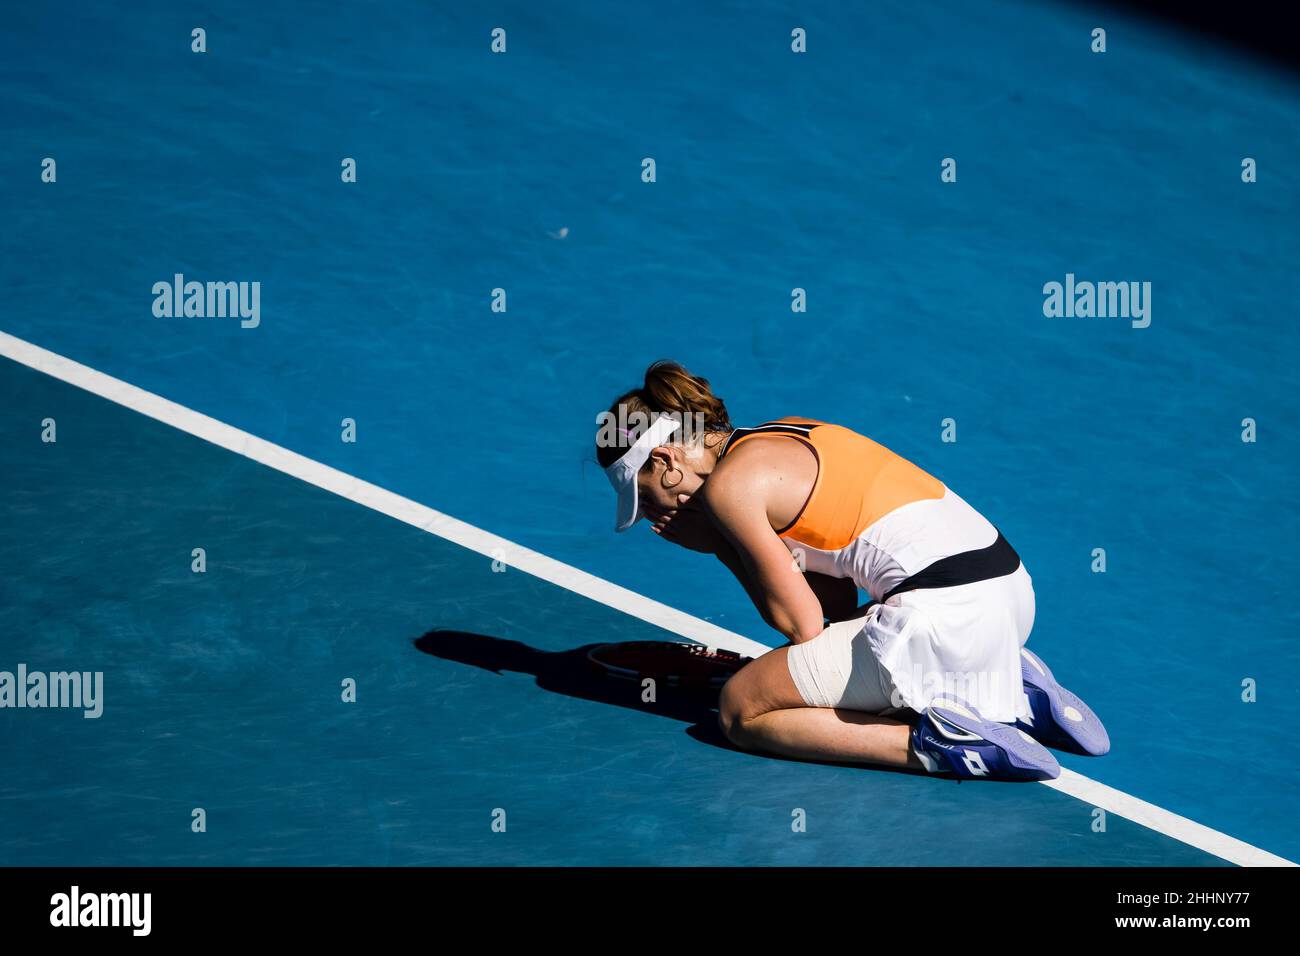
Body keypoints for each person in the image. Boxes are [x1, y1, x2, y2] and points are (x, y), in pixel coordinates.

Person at [596, 361, 1109, 781]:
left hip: (947, 617)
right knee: (842, 658)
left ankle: (938, 744)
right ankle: (1011, 689)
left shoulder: (731, 490)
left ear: (664, 460)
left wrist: (717, 544)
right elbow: (835, 610)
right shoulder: (788, 433)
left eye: (642, 496)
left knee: (740, 710)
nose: (650, 514)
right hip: (1011, 596)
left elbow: (803, 627)